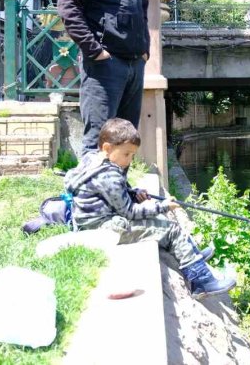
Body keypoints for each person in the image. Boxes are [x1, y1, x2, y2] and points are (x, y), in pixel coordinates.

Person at [65, 118, 236, 300]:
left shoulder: (93, 160)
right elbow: (129, 212)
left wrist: (133, 193)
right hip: (105, 230)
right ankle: (201, 282)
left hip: (93, 224)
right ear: (107, 148)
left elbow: (111, 195)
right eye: (127, 155)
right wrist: (162, 206)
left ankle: (192, 255)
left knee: (165, 224)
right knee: (171, 230)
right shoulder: (109, 174)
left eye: (132, 155)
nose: (129, 160)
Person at [58, 0, 150, 156]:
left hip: (134, 65)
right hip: (104, 65)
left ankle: (118, 193)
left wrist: (145, 52)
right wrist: (95, 51)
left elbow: (142, 13)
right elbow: (68, 7)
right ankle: (88, 194)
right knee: (99, 140)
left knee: (126, 142)